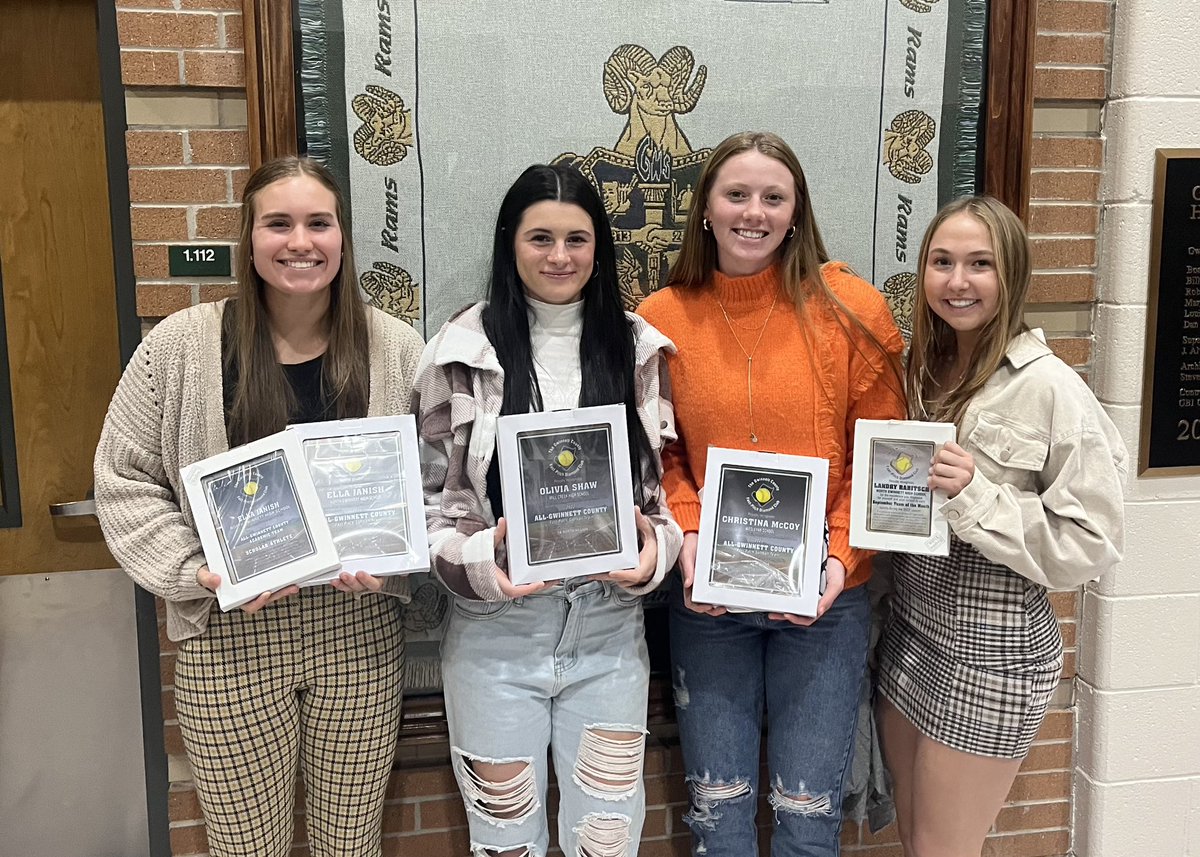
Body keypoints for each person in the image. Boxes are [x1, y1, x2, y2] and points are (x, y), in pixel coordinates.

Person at [94, 156, 425, 856]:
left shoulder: (395, 347)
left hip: (357, 633)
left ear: (343, 238)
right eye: (278, 223)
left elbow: (435, 479)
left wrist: (396, 555)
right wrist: (194, 571)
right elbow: (123, 478)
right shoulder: (180, 348)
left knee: (350, 844)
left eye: (318, 223)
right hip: (229, 637)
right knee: (246, 847)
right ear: (249, 238)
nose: (299, 241)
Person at [635, 131, 906, 856]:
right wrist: (689, 534)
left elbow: (882, 462)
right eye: (736, 194)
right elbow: (659, 452)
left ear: (796, 212)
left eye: (772, 197)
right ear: (705, 209)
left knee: (808, 818)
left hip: (823, 603)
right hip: (708, 603)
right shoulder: (660, 315)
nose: (753, 212)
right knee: (718, 820)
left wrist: (841, 559)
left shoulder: (852, 309)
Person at [413, 162, 682, 857]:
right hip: (496, 636)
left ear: (600, 248)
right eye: (540, 238)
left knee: (607, 841)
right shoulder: (459, 353)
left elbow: (663, 495)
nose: (559, 256)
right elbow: (422, 502)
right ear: (510, 243)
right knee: (506, 843)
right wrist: (482, 564)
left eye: (576, 239)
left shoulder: (638, 349)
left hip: (608, 634)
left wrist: (656, 553)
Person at [875, 196, 1126, 857]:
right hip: (909, 633)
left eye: (980, 264)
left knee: (941, 848)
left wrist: (977, 494)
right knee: (915, 832)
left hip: (994, 654)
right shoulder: (921, 369)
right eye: (943, 262)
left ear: (1010, 273)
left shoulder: (1050, 389)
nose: (958, 281)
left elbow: (1092, 544)